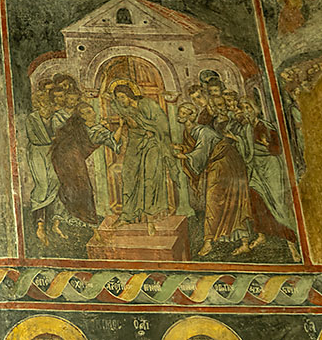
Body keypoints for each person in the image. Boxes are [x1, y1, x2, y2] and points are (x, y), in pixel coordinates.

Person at [175, 104, 251, 257]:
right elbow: (197, 149)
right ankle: (230, 241)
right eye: (180, 112)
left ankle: (216, 242)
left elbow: (201, 152)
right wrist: (183, 149)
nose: (179, 115)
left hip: (226, 162)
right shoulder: (190, 131)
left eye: (183, 113)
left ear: (191, 116)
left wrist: (186, 156)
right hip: (217, 162)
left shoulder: (203, 131)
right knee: (218, 200)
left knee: (221, 199)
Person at [235, 98, 300, 261]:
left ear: (255, 109)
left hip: (270, 169)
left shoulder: (265, 127)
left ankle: (291, 244)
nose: (246, 111)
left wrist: (266, 144)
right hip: (256, 170)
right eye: (243, 109)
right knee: (255, 200)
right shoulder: (247, 129)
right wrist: (237, 140)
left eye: (248, 107)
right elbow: (246, 150)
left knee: (278, 205)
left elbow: (277, 150)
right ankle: (261, 235)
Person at [112, 84, 175, 229]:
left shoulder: (147, 104)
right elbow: (110, 101)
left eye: (122, 97)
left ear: (129, 95)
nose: (120, 100)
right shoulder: (123, 108)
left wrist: (148, 129)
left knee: (149, 177)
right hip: (134, 143)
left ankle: (150, 217)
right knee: (128, 175)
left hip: (151, 142)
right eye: (118, 98)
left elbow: (162, 125)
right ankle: (127, 215)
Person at [50, 103, 122, 228]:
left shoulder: (82, 128)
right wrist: (121, 126)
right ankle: (83, 218)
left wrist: (102, 126)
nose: (93, 113)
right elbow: (113, 140)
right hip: (71, 160)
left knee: (69, 186)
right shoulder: (92, 131)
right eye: (88, 112)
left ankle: (66, 218)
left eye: (92, 110)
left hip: (62, 158)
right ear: (82, 116)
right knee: (81, 187)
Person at [24, 89, 62, 245]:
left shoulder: (56, 118)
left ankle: (54, 222)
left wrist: (57, 141)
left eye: (47, 103)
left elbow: (62, 134)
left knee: (55, 182)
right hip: (37, 153)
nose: (45, 106)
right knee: (42, 185)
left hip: (52, 153)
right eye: (42, 103)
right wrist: (52, 140)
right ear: (37, 105)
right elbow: (33, 138)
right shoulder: (32, 118)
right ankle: (39, 225)